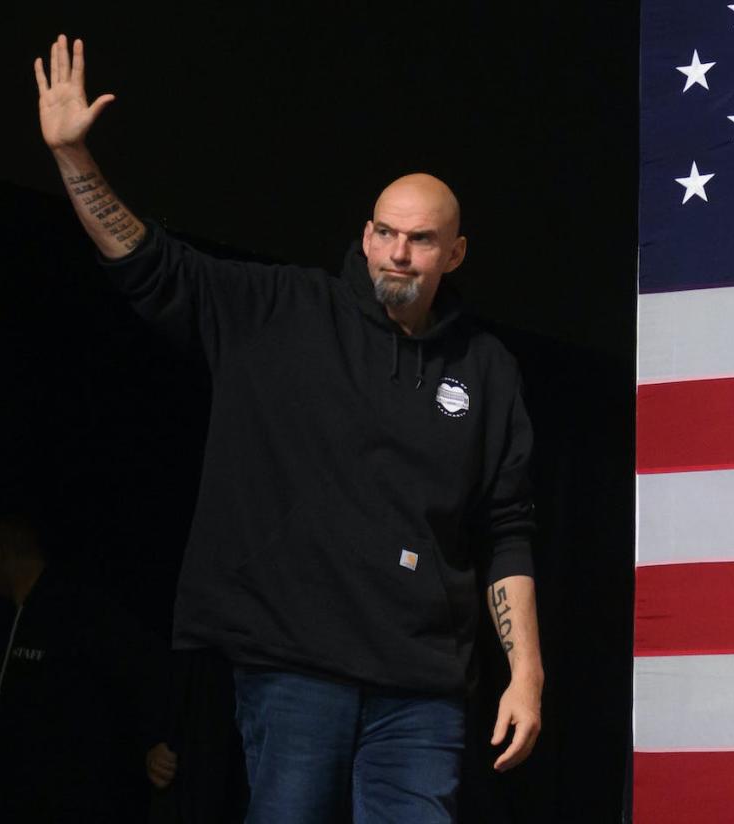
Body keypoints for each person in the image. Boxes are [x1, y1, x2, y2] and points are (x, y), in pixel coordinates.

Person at [33, 34, 544, 824]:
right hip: (296, 673)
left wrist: (528, 673)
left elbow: (505, 525)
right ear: (365, 233)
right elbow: (150, 268)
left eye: (420, 240)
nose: (397, 254)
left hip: (424, 690)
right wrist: (72, 157)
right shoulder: (284, 313)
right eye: (384, 232)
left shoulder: (486, 367)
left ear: (456, 253)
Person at [0, 515, 162, 823]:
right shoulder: (1, 623)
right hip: (15, 802)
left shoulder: (78, 611)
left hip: (74, 802)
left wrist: (156, 739)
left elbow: (140, 668)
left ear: (0, 552)